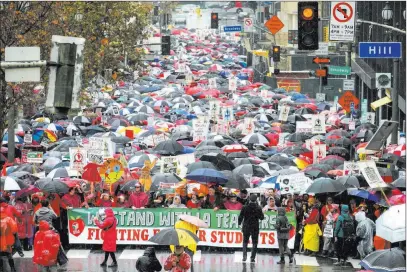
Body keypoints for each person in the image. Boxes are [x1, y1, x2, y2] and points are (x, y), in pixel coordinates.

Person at [238, 194, 264, 262]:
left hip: (246, 226)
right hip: (255, 227)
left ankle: (244, 256)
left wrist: (239, 223)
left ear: (249, 199)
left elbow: (241, 216)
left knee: (245, 242)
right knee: (254, 242)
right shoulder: (258, 208)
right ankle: (252, 258)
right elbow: (261, 218)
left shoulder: (245, 207)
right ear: (256, 200)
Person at [0, 206, 18, 272]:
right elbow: (14, 229)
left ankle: (1, 268)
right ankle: (12, 268)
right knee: (9, 255)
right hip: (8, 241)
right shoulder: (9, 219)